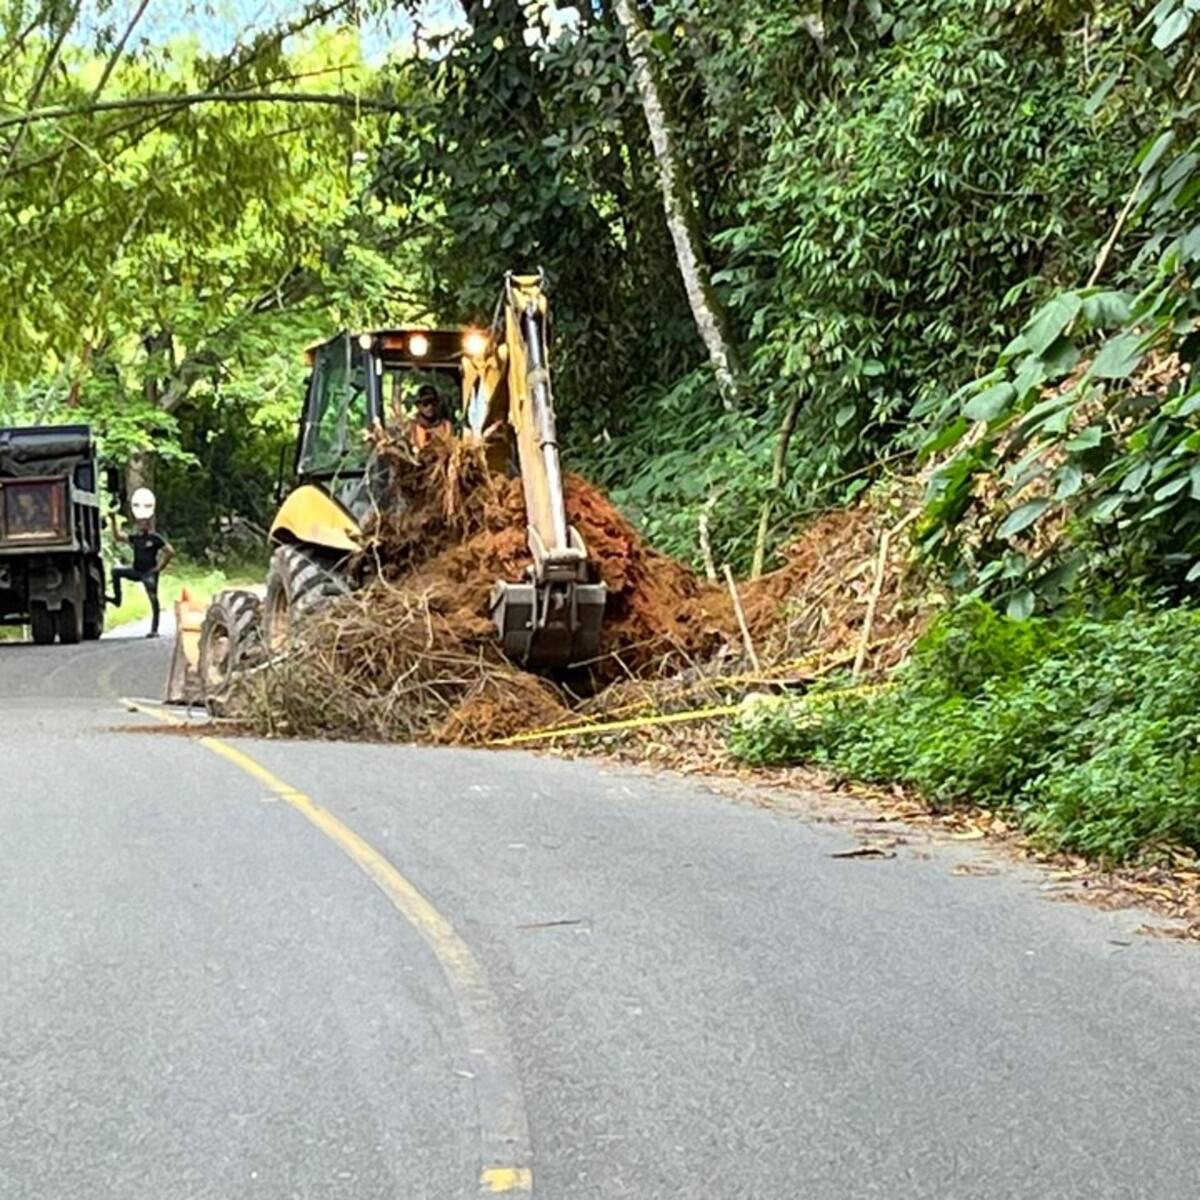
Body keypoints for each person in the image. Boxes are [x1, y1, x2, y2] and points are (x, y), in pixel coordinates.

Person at [108, 507, 174, 638]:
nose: (142, 525)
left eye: (144, 522)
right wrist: (113, 520)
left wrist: (160, 567)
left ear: (148, 525)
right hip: (137, 571)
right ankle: (117, 599)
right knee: (116, 572)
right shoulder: (136, 538)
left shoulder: (154, 538)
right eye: (140, 522)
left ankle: (154, 629)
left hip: (149, 572)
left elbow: (170, 551)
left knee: (153, 599)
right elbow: (118, 537)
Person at [409, 384, 451, 449]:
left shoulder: (446, 425)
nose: (430, 407)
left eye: (433, 403)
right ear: (418, 406)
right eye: (425, 403)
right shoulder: (412, 427)